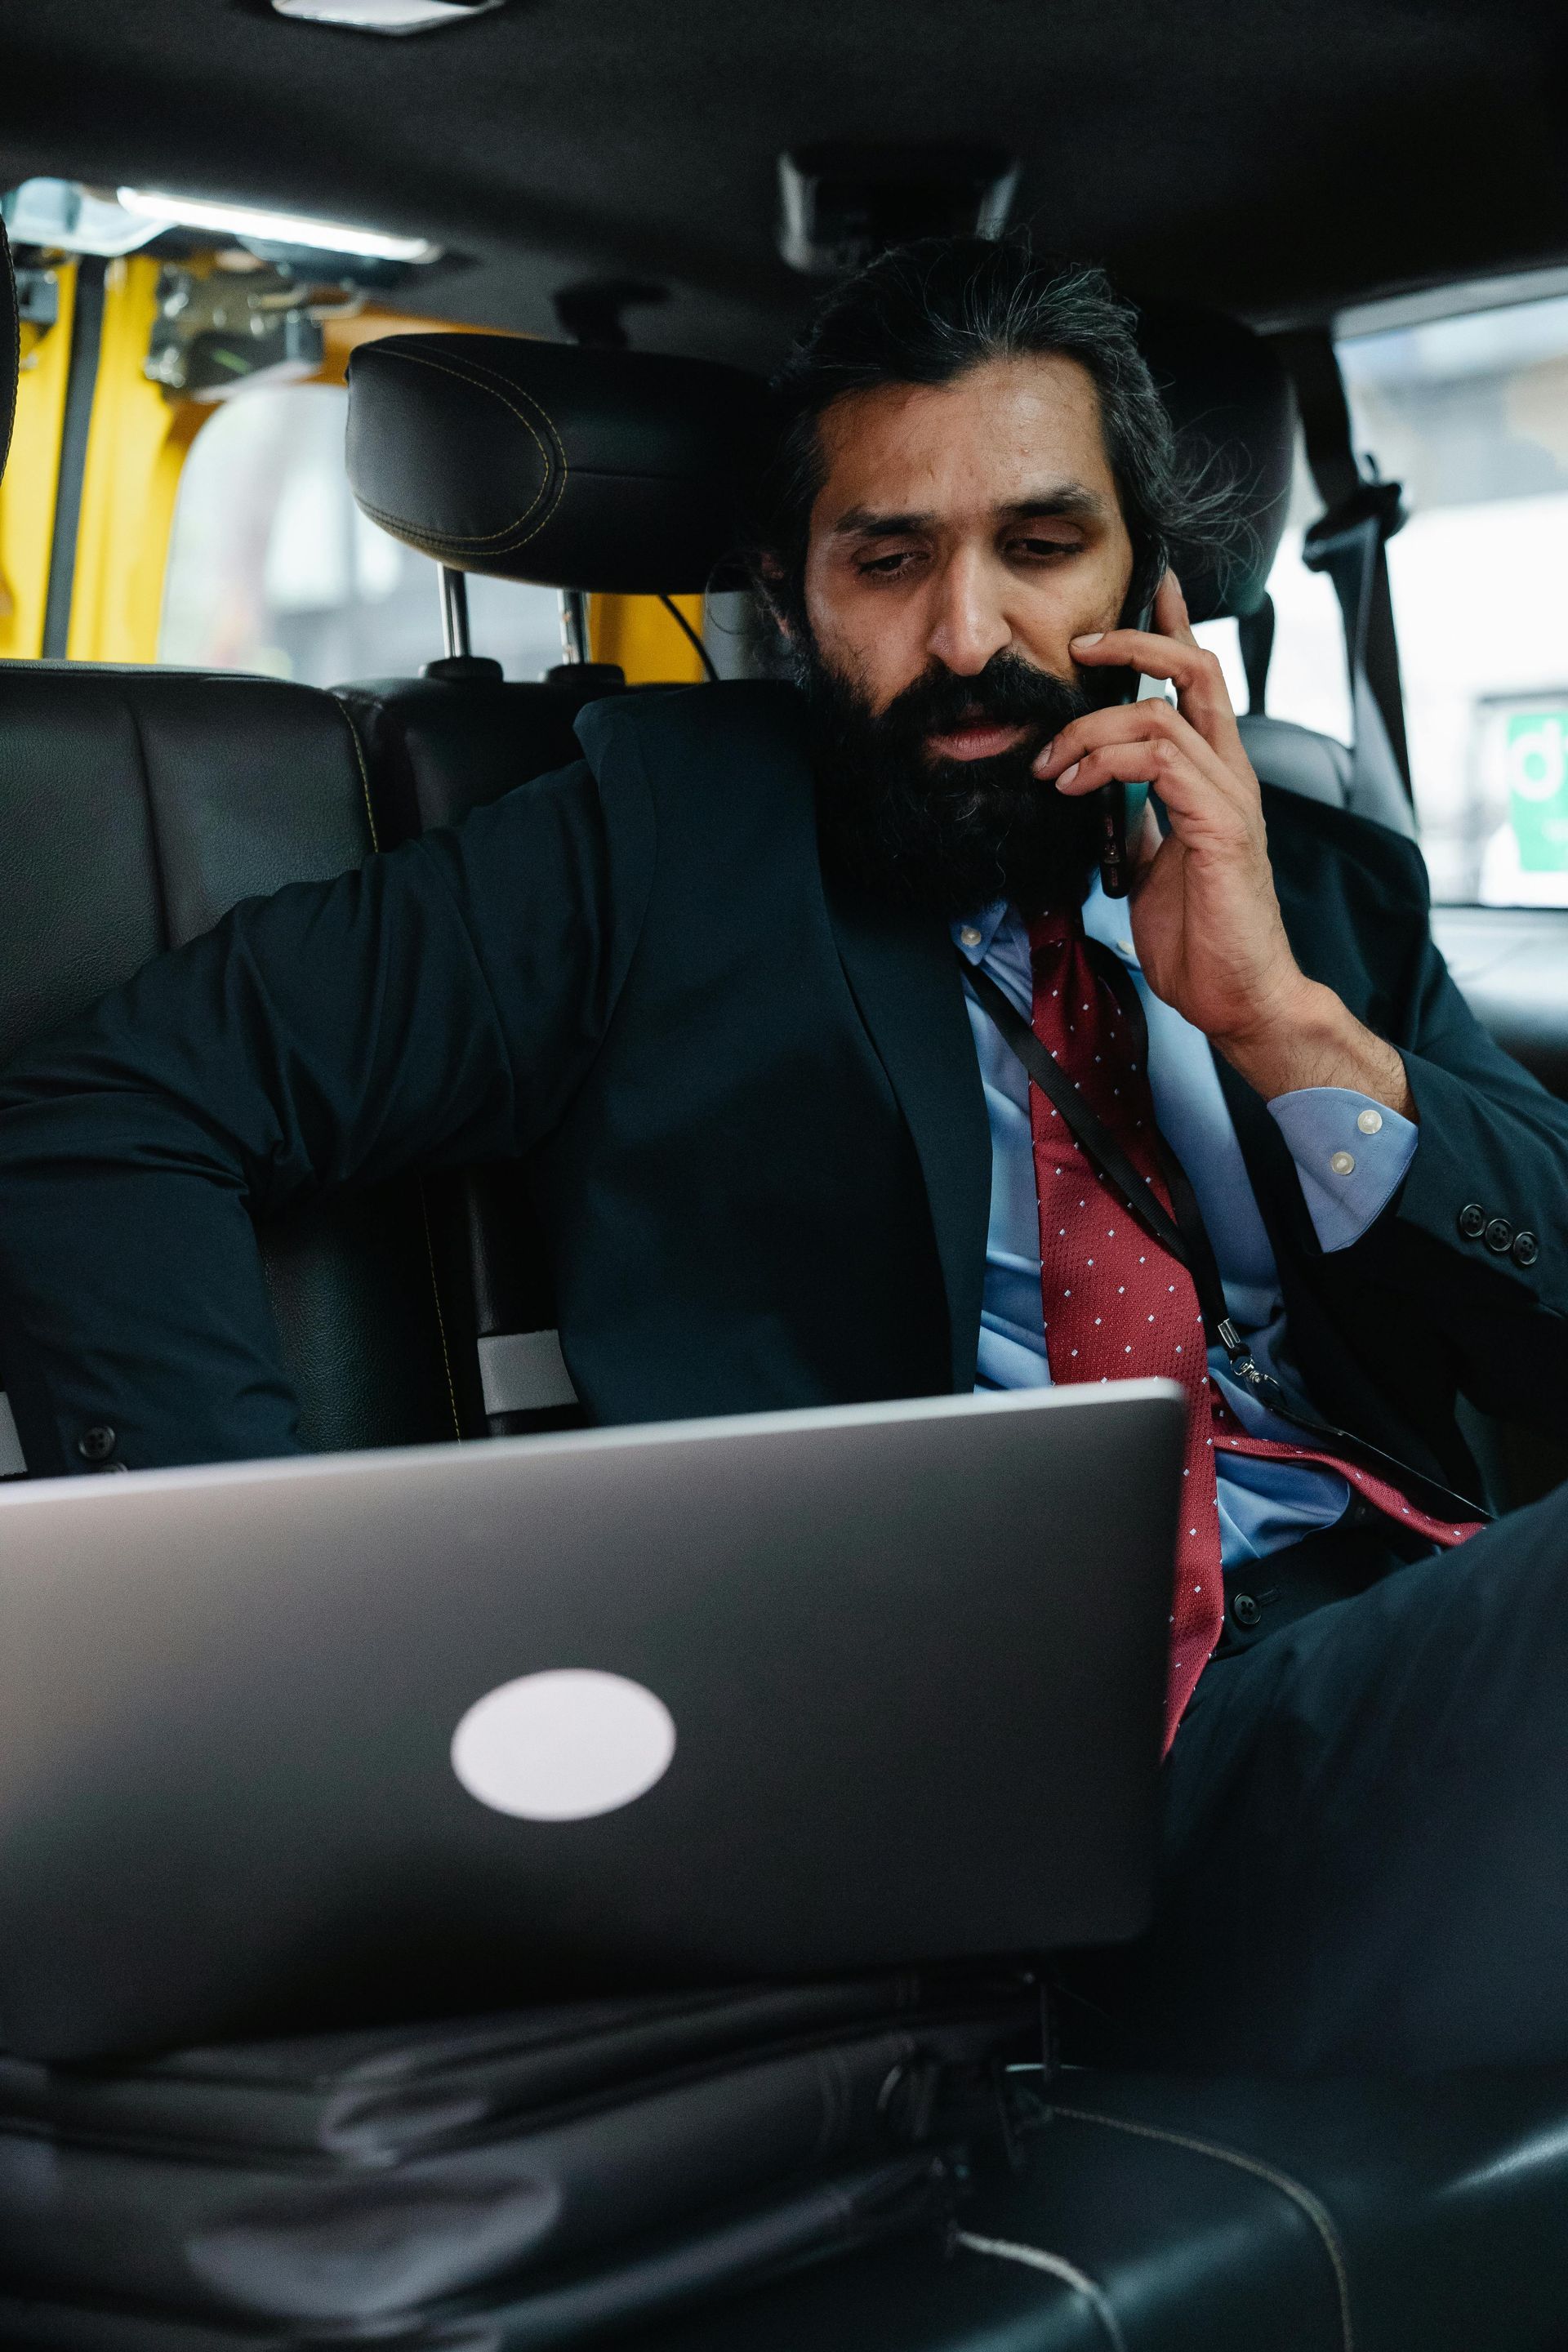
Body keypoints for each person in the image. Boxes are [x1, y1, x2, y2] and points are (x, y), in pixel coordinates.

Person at [2, 235, 1566, 2076]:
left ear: (1154, 579)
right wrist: (263, 1640)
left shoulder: (1310, 877)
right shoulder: (665, 837)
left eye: (1042, 547)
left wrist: (1287, 1027)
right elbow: (103, 1113)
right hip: (965, 1751)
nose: (969, 636)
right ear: (788, 597)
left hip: (1374, 1652)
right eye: (887, 562)